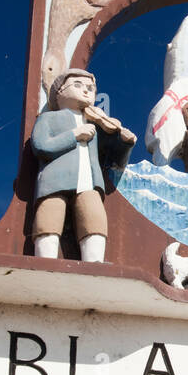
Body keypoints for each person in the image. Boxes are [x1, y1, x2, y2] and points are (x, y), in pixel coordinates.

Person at [30, 69, 136, 262]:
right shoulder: (49, 118)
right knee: (49, 216)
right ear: (60, 92)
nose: (86, 91)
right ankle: (44, 260)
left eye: (90, 88)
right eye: (77, 85)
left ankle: (94, 262)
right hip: (55, 181)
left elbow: (115, 160)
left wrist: (125, 143)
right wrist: (74, 135)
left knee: (94, 217)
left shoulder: (96, 124)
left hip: (89, 182)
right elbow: (41, 145)